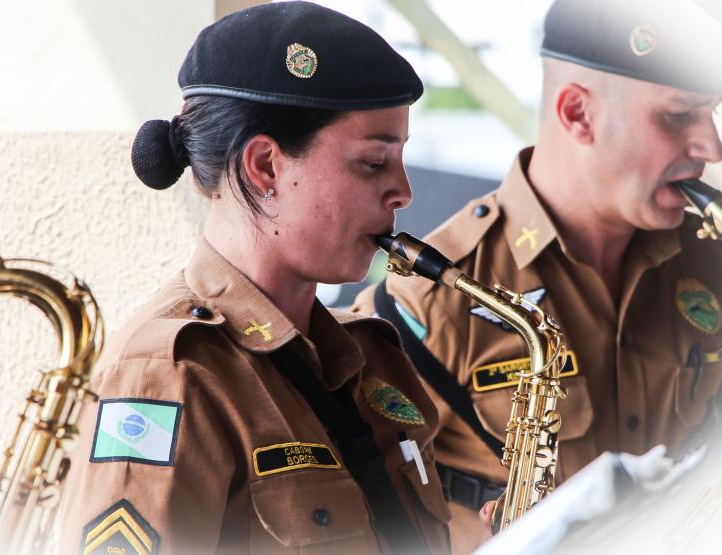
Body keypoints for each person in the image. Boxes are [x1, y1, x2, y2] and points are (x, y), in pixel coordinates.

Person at [353, 0, 722, 552]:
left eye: (712, 112)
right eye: (678, 115)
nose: (710, 147)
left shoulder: (716, 260)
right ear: (578, 114)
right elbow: (364, 511)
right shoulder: (428, 296)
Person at [59, 2, 454, 553]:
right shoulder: (170, 375)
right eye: (372, 162)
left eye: (400, 159)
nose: (403, 191)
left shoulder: (370, 358)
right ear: (265, 166)